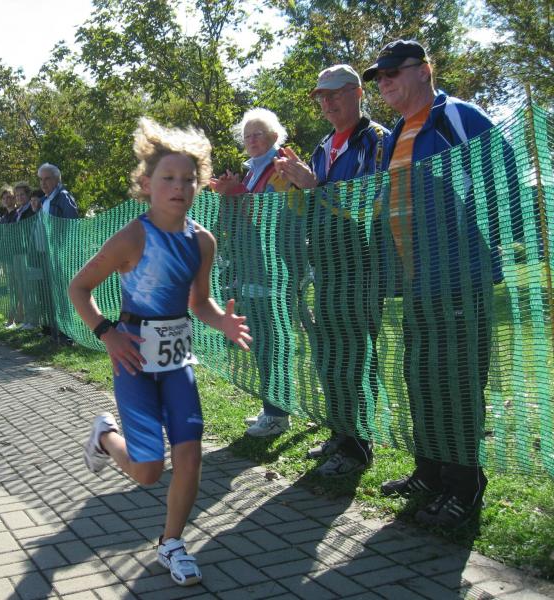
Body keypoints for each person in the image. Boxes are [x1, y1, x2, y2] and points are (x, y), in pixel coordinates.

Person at [69, 117, 252, 587]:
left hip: (176, 361)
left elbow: (199, 303)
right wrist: (107, 333)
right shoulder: (133, 237)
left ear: (199, 184)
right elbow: (79, 288)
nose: (179, 188)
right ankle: (105, 436)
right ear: (147, 184)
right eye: (168, 178)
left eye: (188, 179)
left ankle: (172, 542)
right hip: (133, 358)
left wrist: (222, 321)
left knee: (190, 453)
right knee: (148, 472)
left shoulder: (202, 241)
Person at [364, 40, 501, 527]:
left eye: (392, 73)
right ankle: (430, 473)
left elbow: (500, 180)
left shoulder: (457, 116)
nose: (384, 83)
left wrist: (474, 249)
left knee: (456, 384)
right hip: (416, 283)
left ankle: (464, 488)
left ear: (424, 71)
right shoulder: (398, 133)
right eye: (379, 78)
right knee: (421, 377)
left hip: (459, 281)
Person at [275, 65, 389, 476]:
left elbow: (372, 202)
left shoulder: (378, 139)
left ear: (357, 93)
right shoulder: (324, 145)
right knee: (330, 354)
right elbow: (310, 206)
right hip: (326, 266)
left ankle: (358, 447)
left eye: (335, 93)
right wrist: (292, 187)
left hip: (361, 266)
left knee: (356, 356)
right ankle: (340, 433)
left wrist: (314, 187)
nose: (326, 102)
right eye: (321, 96)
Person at [210, 108, 292, 438]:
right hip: (252, 269)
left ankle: (277, 414)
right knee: (261, 340)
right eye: (247, 136)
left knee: (270, 341)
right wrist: (231, 193)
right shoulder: (253, 171)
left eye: (258, 134)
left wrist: (236, 194)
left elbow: (273, 216)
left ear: (274, 137)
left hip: (271, 269)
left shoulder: (280, 167)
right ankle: (273, 407)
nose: (252, 140)